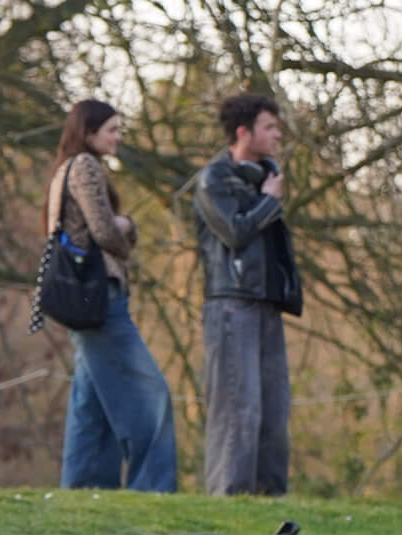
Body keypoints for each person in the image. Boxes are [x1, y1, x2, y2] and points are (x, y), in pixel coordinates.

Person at [49, 100, 178, 492]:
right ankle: (153, 488)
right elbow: (103, 231)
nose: (118, 137)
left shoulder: (62, 171)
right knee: (152, 395)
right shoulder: (85, 166)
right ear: (88, 133)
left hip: (85, 301)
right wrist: (129, 228)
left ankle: (86, 489)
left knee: (92, 407)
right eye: (112, 130)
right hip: (100, 298)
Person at [195, 90, 301, 497]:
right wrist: (268, 203)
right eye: (269, 127)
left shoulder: (266, 177)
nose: (277, 135)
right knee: (239, 408)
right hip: (231, 304)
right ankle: (229, 499)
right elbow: (235, 231)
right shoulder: (214, 180)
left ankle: (270, 500)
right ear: (244, 132)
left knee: (274, 410)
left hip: (267, 306)